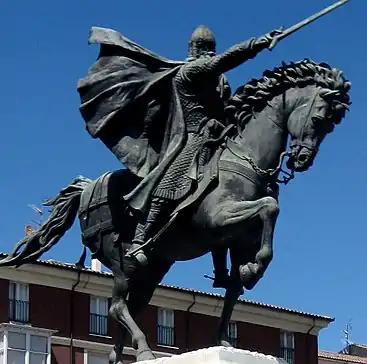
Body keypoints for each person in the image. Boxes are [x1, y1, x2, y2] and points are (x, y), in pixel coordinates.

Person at [77, 24, 282, 288]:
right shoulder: (189, 71)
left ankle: (222, 270)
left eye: (211, 50)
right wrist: (258, 43)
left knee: (227, 191)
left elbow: (224, 109)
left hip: (216, 138)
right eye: (205, 50)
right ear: (196, 51)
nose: (209, 54)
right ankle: (141, 237)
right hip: (189, 138)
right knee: (173, 179)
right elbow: (227, 61)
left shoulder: (219, 81)